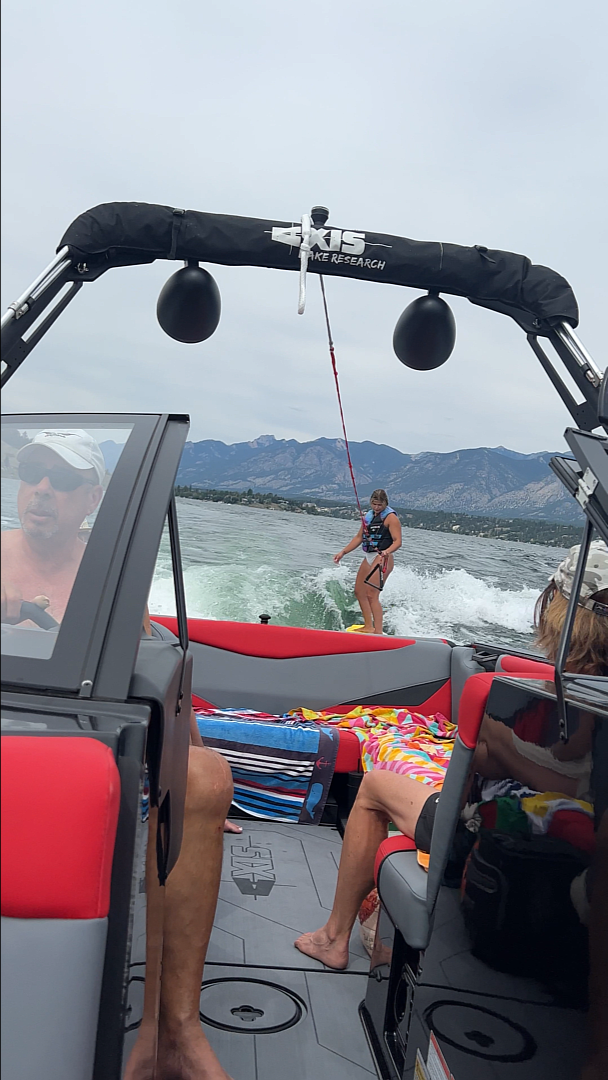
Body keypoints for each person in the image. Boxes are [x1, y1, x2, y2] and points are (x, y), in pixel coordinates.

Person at [1, 430, 236, 1079]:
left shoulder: (109, 582)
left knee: (206, 780)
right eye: (33, 472)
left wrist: (193, 776)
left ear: (92, 497)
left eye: (62, 478)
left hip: (81, 754)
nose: (42, 489)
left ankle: (170, 1034)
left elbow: (165, 679)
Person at [295, 539, 608, 970]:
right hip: (582, 849)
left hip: (499, 834)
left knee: (375, 787)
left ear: (559, 609)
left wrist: (499, 751)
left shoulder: (520, 699)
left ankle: (332, 938)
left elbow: (465, 793)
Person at [334, 489, 402, 634]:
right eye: (374, 504)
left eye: (380, 505)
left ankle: (377, 631)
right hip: (369, 556)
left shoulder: (391, 518)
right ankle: (368, 626)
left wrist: (387, 551)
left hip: (384, 557)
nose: (377, 507)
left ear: (386, 503)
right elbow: (359, 537)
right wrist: (343, 552)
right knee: (359, 592)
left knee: (372, 594)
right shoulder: (368, 517)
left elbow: (398, 541)